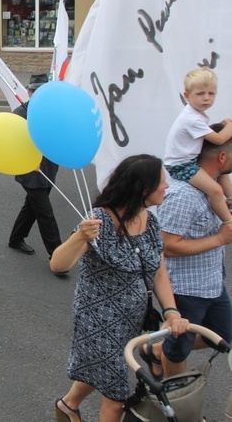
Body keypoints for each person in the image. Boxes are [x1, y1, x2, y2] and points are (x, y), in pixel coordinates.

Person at [50, 155, 188, 422]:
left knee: (103, 372)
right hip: (98, 323)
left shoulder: (148, 219)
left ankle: (69, 405)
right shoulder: (98, 222)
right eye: (162, 182)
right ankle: (70, 405)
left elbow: (158, 272)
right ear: (144, 189)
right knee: (116, 399)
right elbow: (58, 264)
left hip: (130, 321)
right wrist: (80, 236)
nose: (167, 187)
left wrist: (171, 311)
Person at [150, 122, 232, 380]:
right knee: (178, 353)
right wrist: (219, 239)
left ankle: (154, 349)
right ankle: (179, 403)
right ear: (222, 157)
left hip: (212, 284)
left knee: (225, 336)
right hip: (185, 291)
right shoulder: (184, 194)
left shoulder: (215, 186)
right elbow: (166, 247)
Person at [7, 74, 63, 267]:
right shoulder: (20, 114)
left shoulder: (53, 112)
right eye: (35, 91)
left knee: (31, 206)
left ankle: (16, 238)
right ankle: (57, 255)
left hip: (49, 168)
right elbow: (13, 144)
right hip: (30, 170)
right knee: (45, 213)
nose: (39, 94)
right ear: (29, 92)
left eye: (43, 91)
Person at [164, 67, 232, 224]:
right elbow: (220, 140)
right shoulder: (191, 118)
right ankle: (228, 222)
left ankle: (231, 199)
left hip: (188, 160)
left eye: (211, 93)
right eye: (200, 94)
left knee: (221, 173)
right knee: (215, 190)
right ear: (187, 96)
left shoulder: (195, 114)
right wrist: (230, 125)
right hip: (181, 165)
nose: (206, 98)